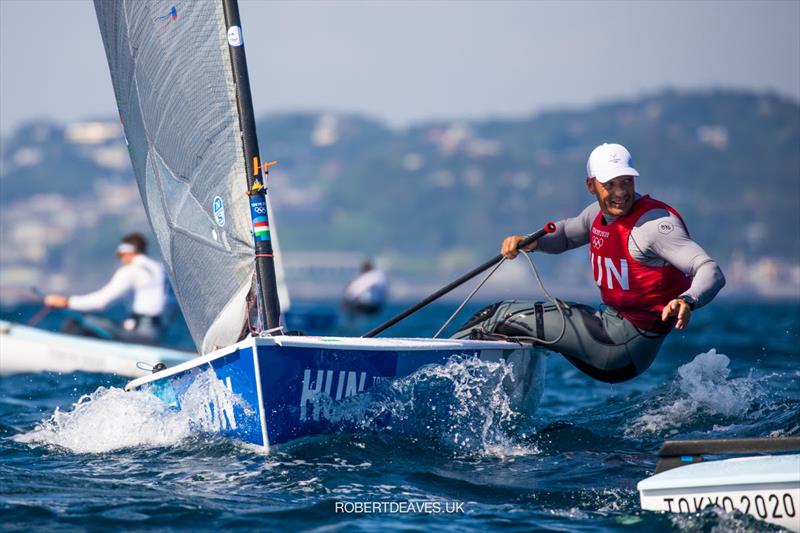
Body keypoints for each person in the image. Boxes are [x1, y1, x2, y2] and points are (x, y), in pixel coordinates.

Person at [454, 143, 725, 383]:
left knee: (498, 315)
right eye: (610, 185)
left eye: (626, 182)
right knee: (509, 325)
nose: (621, 192)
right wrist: (529, 241)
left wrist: (687, 300)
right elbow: (564, 235)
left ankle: (433, 363)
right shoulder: (596, 214)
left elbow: (710, 270)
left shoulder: (655, 225)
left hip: (622, 347)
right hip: (608, 328)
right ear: (591, 185)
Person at [44, 233, 173, 345]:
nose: (121, 259)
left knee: (78, 321)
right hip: (157, 334)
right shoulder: (161, 269)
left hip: (142, 334)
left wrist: (66, 302)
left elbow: (101, 302)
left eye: (120, 255)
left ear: (127, 253)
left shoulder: (132, 270)